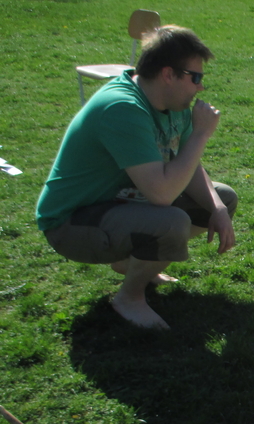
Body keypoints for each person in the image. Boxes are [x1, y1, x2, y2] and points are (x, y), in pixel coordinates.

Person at [36, 25, 238, 330]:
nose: (200, 88)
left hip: (119, 204)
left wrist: (218, 208)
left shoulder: (172, 103)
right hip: (71, 222)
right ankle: (129, 298)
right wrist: (201, 134)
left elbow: (186, 164)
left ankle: (135, 261)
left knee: (222, 198)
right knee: (171, 222)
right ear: (168, 74)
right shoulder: (122, 108)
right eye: (195, 78)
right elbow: (162, 194)